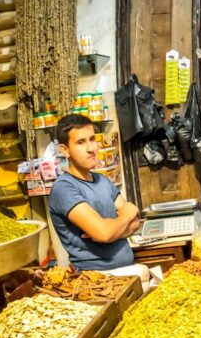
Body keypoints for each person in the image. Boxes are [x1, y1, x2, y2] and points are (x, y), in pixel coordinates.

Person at [48, 114, 139, 270]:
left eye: (92, 139)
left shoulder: (102, 180)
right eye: (81, 142)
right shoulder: (64, 189)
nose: (91, 149)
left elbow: (135, 223)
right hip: (98, 281)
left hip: (128, 270)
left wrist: (111, 231)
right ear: (65, 150)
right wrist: (129, 213)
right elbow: (104, 233)